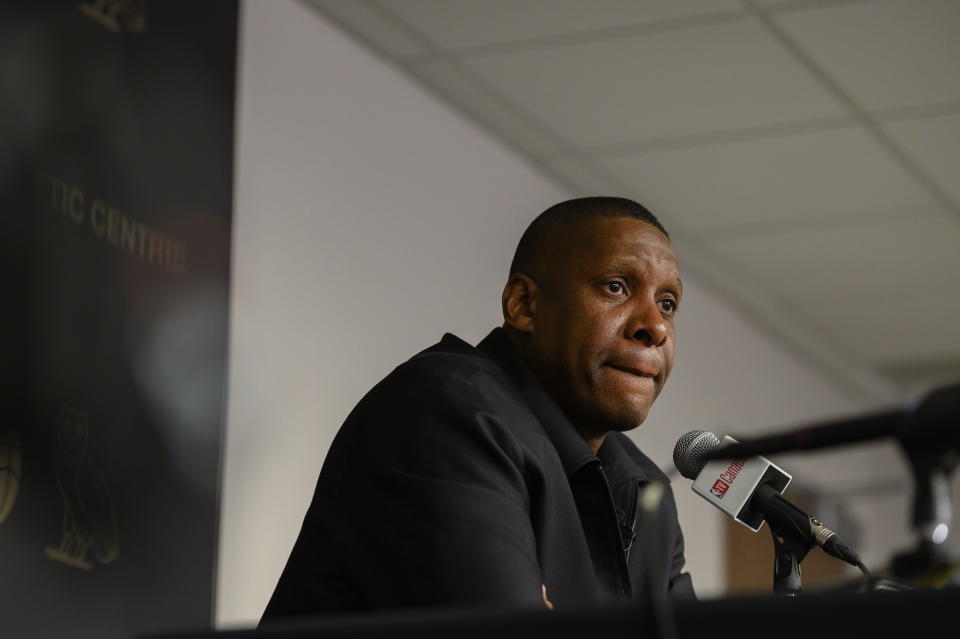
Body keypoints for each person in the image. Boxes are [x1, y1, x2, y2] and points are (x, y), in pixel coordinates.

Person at [260, 197, 694, 622]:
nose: (654, 327)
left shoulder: (646, 487)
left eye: (667, 304)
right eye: (615, 287)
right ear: (524, 305)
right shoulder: (446, 411)